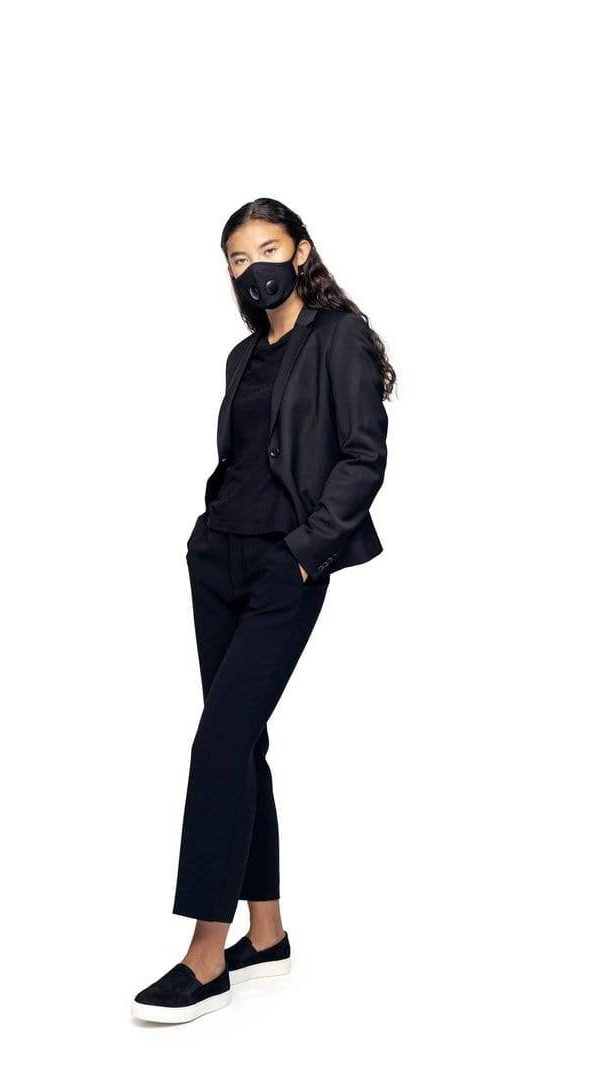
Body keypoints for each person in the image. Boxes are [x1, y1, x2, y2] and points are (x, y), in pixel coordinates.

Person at [132, 197, 395, 1023]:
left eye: (268, 250)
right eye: (239, 260)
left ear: (302, 252)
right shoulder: (242, 355)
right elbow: (244, 458)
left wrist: (306, 551)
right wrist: (204, 535)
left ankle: (207, 954)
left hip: (286, 566)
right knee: (242, 741)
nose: (254, 270)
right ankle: (268, 934)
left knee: (216, 742)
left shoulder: (338, 338)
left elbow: (364, 455)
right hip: (218, 560)